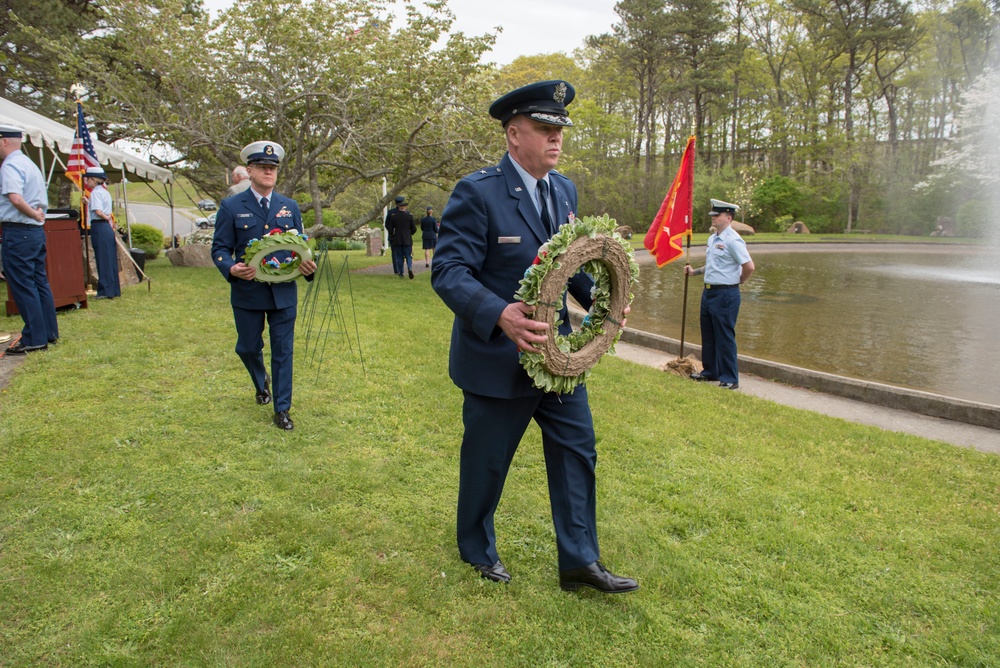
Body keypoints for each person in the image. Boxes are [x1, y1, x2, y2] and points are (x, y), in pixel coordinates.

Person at [431, 80, 638, 594]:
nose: (556, 139)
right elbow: (450, 270)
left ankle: (580, 563)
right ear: (513, 134)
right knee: (488, 460)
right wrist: (499, 312)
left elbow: (568, 267)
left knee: (577, 448)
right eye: (545, 129)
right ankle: (476, 549)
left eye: (559, 130)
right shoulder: (477, 191)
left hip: (558, 357)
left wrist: (604, 305)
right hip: (497, 357)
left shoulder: (563, 189)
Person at [211, 140, 316, 431]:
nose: (269, 172)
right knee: (247, 347)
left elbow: (301, 246)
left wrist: (308, 267)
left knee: (283, 352)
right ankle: (261, 381)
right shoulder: (232, 206)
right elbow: (219, 248)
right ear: (249, 170)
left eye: (273, 168)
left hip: (283, 293)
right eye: (263, 167)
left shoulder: (289, 207)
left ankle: (282, 409)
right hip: (248, 292)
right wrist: (230, 267)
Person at [684, 199, 755, 389]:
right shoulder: (713, 238)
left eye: (717, 215)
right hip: (708, 293)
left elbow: (748, 266)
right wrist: (695, 272)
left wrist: (738, 281)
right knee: (708, 335)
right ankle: (710, 372)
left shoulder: (733, 240)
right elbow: (714, 265)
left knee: (724, 337)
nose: (713, 218)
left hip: (726, 294)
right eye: (713, 215)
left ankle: (730, 378)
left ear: (728, 218)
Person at [0, 124, 58, 354]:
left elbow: (15, 198)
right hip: (34, 232)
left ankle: (34, 337)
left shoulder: (10, 165)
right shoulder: (28, 163)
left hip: (19, 229)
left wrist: (32, 213)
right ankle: (48, 332)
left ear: (4, 141)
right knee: (39, 282)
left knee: (23, 285)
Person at [83, 167, 121, 300]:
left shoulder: (95, 193)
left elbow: (98, 212)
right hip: (106, 228)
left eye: (88, 178)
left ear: (94, 179)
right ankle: (113, 288)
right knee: (109, 258)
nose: (86, 181)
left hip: (99, 226)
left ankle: (105, 290)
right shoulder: (104, 192)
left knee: (102, 259)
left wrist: (107, 217)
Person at [385, 198, 416, 279]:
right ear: (405, 208)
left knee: (399, 256)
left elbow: (390, 227)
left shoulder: (394, 217)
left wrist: (392, 234)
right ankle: (409, 267)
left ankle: (401, 272)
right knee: (408, 255)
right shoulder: (409, 216)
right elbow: (414, 228)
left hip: (397, 239)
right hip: (407, 239)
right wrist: (410, 233)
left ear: (398, 207)